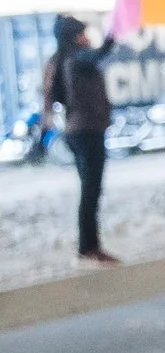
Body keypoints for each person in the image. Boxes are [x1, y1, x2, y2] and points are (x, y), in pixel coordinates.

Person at [38, 13, 114, 265]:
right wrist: (113, 34)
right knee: (91, 191)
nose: (87, 37)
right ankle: (89, 247)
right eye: (82, 33)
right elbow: (99, 54)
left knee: (89, 191)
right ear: (74, 37)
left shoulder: (62, 61)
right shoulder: (77, 59)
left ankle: (89, 246)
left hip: (78, 131)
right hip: (88, 131)